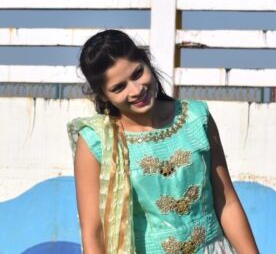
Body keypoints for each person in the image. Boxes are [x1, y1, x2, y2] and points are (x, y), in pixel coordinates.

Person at [67, 30, 259, 254]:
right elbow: (94, 232)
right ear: (102, 96)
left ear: (147, 62)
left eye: (137, 73)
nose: (136, 90)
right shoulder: (96, 142)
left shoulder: (197, 118)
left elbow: (226, 200)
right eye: (119, 88)